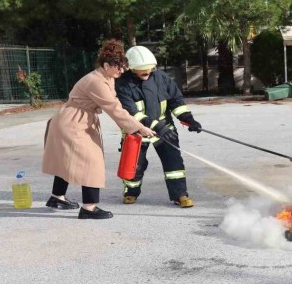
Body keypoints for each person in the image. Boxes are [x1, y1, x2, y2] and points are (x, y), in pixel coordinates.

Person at [42, 39, 154, 219]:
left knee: (67, 159)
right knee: (92, 161)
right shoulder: (96, 81)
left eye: (123, 66)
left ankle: (57, 197)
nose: (122, 70)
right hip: (73, 122)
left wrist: (135, 126)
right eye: (118, 67)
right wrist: (139, 128)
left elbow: (115, 104)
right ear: (107, 65)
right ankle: (89, 208)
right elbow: (114, 108)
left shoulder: (106, 77)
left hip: (74, 119)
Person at [116, 46, 203, 208]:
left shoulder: (161, 78)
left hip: (164, 127)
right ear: (132, 68)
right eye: (142, 70)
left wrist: (188, 119)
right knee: (135, 164)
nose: (147, 72)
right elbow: (131, 114)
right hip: (137, 131)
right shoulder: (122, 84)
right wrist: (157, 127)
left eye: (149, 69)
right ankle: (131, 192)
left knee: (174, 162)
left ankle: (180, 195)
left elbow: (176, 101)